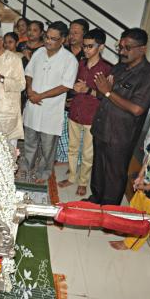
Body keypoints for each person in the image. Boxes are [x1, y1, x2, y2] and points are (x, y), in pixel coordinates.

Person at [89, 28, 150, 205]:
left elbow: (137, 109)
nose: (122, 51)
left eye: (127, 48)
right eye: (120, 46)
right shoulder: (120, 66)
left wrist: (107, 92)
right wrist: (103, 90)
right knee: (98, 168)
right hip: (102, 127)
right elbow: (104, 93)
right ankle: (96, 198)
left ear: (142, 49)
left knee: (114, 173)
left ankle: (109, 209)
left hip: (120, 134)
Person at [58, 29, 111, 196]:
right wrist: (74, 89)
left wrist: (88, 90)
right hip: (75, 111)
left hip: (92, 116)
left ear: (101, 47)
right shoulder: (80, 64)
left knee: (88, 152)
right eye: (84, 46)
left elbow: (107, 97)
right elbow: (74, 85)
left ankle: (83, 182)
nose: (86, 50)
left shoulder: (107, 68)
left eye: (90, 46)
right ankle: (72, 177)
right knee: (72, 148)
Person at [23, 21, 78, 184]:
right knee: (30, 141)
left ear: (63, 40)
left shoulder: (69, 60)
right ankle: (27, 166)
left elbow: (65, 86)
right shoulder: (39, 52)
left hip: (51, 110)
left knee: (48, 146)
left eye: (53, 39)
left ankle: (44, 171)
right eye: (47, 37)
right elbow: (29, 72)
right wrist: (30, 90)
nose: (48, 41)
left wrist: (41, 96)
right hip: (33, 105)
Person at [110, 108, 150, 251]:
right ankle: (127, 228)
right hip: (144, 185)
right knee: (134, 209)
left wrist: (148, 187)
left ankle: (130, 243)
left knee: (146, 220)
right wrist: (141, 175)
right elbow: (148, 158)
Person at [56, 18, 90, 164]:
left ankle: (74, 160)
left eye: (76, 33)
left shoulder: (88, 54)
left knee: (76, 135)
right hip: (60, 96)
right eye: (70, 32)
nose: (72, 36)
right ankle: (62, 156)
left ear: (84, 35)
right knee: (60, 131)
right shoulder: (62, 51)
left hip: (78, 99)